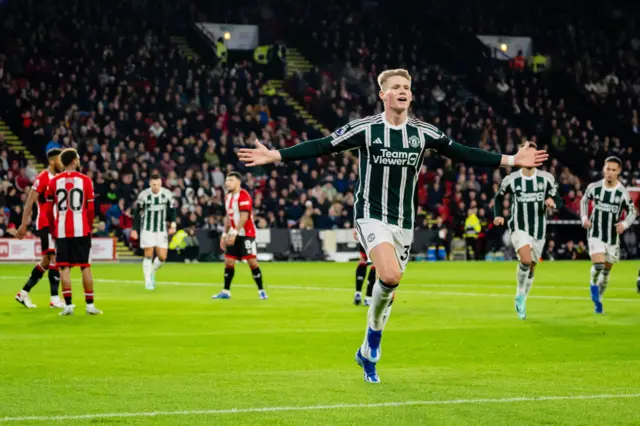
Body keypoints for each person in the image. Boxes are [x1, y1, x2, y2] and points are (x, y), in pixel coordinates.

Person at [238, 68, 547, 383]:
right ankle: (372, 341)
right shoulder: (366, 128)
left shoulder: (423, 132)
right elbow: (323, 144)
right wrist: (275, 155)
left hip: (404, 222)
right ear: (382, 95)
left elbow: (463, 153)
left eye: (407, 87)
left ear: (411, 96)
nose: (402, 91)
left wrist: (511, 160)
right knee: (389, 275)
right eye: (395, 87)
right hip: (370, 215)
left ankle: (369, 345)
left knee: (389, 287)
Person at [493, 141, 562, 319]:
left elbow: (558, 199)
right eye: (527, 155)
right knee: (525, 259)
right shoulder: (512, 179)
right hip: (519, 226)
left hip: (539, 230)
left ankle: (522, 297)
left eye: (533, 155)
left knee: (531, 267)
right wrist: (498, 215)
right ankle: (519, 292)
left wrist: (552, 203)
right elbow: (499, 198)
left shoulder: (546, 178)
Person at [45, 148, 102, 316]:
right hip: (81, 227)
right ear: (75, 161)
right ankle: (90, 305)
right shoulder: (86, 180)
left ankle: (68, 305)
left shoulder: (53, 182)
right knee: (85, 267)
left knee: (64, 268)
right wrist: (89, 226)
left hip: (61, 229)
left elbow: (49, 210)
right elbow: (90, 209)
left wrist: (53, 229)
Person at [580, 156, 637, 314]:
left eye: (613, 170)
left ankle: (599, 301)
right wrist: (584, 218)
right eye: (608, 169)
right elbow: (584, 201)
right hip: (595, 234)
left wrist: (624, 224)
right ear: (603, 169)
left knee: (606, 272)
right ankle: (592, 282)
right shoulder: (595, 187)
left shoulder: (622, 192)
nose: (610, 172)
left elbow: (633, 211)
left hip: (612, 238)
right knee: (598, 265)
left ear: (618, 171)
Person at [14, 148, 65, 309]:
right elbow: (30, 201)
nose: (62, 164)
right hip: (46, 223)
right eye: (60, 160)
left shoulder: (59, 178)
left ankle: (23, 293)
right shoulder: (43, 177)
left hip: (56, 224)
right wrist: (23, 224)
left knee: (46, 261)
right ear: (52, 161)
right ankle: (55, 299)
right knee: (55, 258)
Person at [212, 172, 267, 300]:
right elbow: (228, 216)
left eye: (231, 180)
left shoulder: (244, 196)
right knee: (229, 261)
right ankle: (226, 291)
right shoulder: (227, 197)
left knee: (252, 262)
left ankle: (261, 291)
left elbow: (244, 217)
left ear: (238, 182)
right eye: (226, 180)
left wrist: (235, 232)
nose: (227, 183)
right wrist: (224, 234)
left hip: (246, 234)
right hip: (233, 233)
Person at [131, 174, 176, 290]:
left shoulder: (167, 194)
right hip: (147, 229)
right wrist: (135, 229)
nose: (156, 187)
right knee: (148, 254)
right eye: (154, 184)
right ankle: (147, 281)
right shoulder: (143, 195)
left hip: (161, 230)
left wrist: (173, 224)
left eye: (158, 184)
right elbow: (137, 213)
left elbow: (172, 211)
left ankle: (152, 271)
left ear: (161, 183)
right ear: (150, 184)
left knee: (162, 257)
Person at [353, 230, 376, 306]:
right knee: (376, 264)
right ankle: (368, 298)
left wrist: (356, 231)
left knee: (363, 260)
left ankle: (357, 294)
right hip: (375, 238)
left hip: (364, 237)